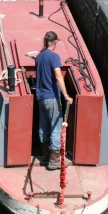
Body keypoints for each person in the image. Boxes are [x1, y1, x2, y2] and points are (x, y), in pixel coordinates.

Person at [35, 31, 73, 170]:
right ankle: (54, 160)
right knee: (56, 127)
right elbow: (58, 76)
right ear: (55, 42)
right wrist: (66, 95)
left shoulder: (39, 57)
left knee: (43, 126)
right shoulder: (54, 56)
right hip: (51, 97)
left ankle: (45, 155)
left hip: (40, 97)